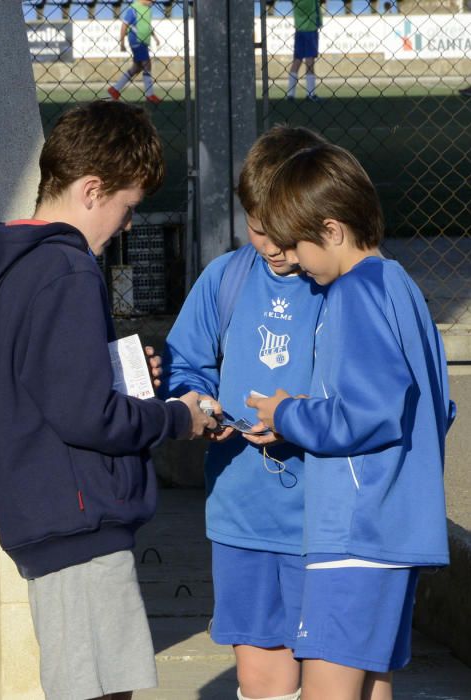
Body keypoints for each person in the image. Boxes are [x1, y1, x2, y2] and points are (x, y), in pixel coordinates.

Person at [0, 100, 217, 700]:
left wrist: (123, 376)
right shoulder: (68, 269)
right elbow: (85, 414)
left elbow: (47, 386)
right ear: (93, 190)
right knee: (100, 691)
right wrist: (175, 416)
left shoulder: (21, 264)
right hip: (78, 519)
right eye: (128, 208)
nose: (128, 225)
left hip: (49, 511)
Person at [246, 143, 455, 700]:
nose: (291, 257)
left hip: (357, 533)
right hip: (394, 527)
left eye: (296, 243)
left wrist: (288, 413)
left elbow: (369, 413)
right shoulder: (399, 285)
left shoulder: (354, 294)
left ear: (333, 230)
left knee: (329, 689)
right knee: (371, 683)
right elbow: (438, 404)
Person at [160, 126, 328, 700]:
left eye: (287, 232)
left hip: (323, 522)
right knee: (260, 676)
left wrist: (302, 416)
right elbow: (188, 363)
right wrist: (199, 404)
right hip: (242, 517)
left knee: (334, 671)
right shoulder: (225, 278)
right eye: (260, 229)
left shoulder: (341, 284)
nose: (274, 246)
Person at [108, 0, 162, 104]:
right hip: (137, 40)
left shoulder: (148, 9)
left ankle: (115, 90)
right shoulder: (133, 8)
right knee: (147, 64)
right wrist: (122, 43)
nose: (153, 1)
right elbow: (124, 25)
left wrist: (155, 37)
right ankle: (149, 94)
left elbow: (147, 26)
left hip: (144, 41)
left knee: (136, 67)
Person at [286, 0, 323, 102]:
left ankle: (290, 94)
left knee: (297, 60)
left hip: (299, 29)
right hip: (310, 29)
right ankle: (310, 93)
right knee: (310, 60)